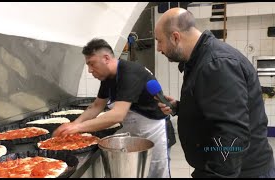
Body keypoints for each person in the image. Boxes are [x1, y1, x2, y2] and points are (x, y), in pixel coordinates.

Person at [154, 7, 275, 178]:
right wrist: (180, 107)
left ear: (175, 37)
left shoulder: (216, 64)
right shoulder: (201, 60)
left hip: (242, 172)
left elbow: (231, 134)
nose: (159, 48)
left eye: (159, 41)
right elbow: (213, 109)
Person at [53, 38, 171, 178]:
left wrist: (78, 128)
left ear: (106, 58)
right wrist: (73, 124)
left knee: (156, 173)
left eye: (92, 64)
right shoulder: (107, 77)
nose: (90, 70)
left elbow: (117, 115)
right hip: (134, 129)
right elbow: (96, 106)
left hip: (154, 128)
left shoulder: (130, 73)